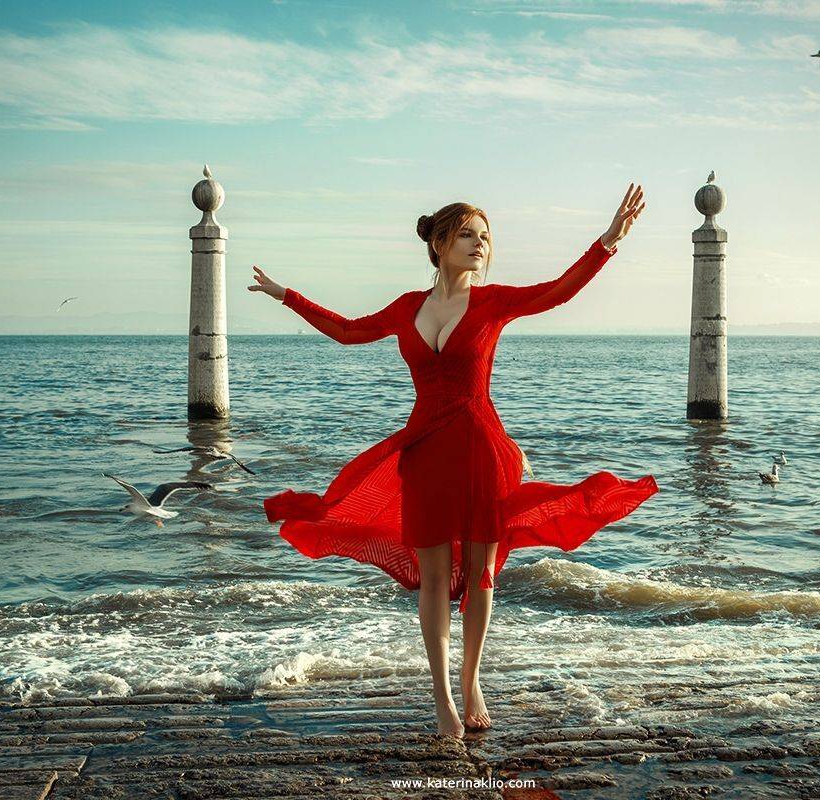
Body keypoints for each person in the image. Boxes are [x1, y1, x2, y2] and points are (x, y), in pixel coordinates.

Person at [252, 184, 658, 738]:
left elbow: (558, 290)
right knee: (434, 580)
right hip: (425, 454)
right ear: (440, 243)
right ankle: (442, 694)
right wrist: (286, 295)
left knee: (483, 575)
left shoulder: (493, 303)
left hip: (481, 451)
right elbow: (347, 332)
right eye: (468, 234)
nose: (480, 245)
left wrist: (608, 241)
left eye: (485, 237)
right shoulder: (406, 308)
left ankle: (471, 680)